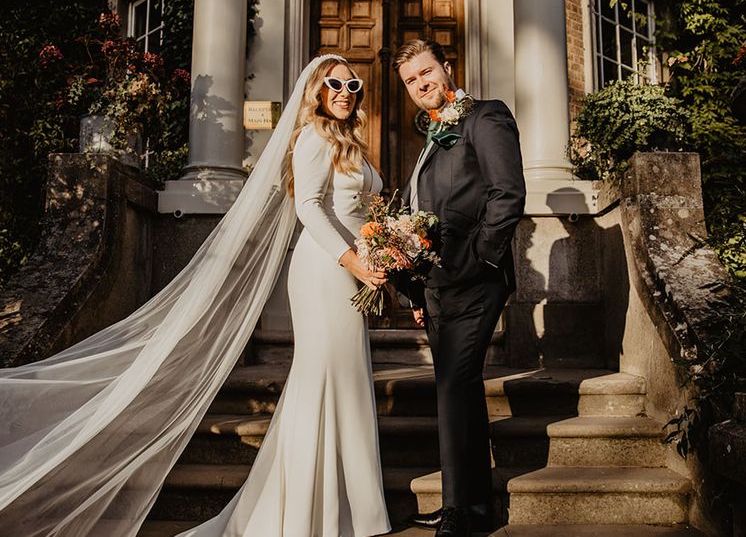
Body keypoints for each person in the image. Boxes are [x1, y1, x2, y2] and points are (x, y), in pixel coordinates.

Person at [0, 54, 391, 537]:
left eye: (353, 85)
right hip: (326, 270)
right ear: (315, 89)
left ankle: (345, 505)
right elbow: (309, 209)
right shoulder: (312, 137)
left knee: (346, 380)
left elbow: (363, 212)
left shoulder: (349, 142)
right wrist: (353, 261)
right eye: (334, 83)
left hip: (355, 269)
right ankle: (312, 512)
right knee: (324, 381)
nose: (345, 91)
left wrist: (383, 252)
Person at [394, 39, 526, 537]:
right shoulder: (430, 137)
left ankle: (464, 512)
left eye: (426, 72)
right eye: (410, 81)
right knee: (458, 392)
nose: (421, 84)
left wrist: (479, 259)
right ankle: (465, 504)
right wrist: (415, 286)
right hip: (438, 286)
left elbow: (507, 192)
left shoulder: (485, 116)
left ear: (447, 69)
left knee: (454, 388)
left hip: (474, 280)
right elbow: (424, 217)